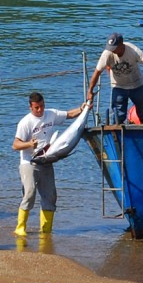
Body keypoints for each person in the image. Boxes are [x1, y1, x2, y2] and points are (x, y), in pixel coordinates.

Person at [12, 92, 84, 236]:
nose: (40, 110)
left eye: (42, 106)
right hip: (29, 162)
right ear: (30, 107)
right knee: (30, 192)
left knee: (50, 196)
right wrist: (29, 144)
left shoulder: (51, 114)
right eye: (37, 107)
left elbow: (69, 114)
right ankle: (20, 227)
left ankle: (45, 229)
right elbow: (15, 145)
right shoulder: (25, 122)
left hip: (46, 160)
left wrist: (82, 109)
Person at [86, 32, 143, 124]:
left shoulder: (133, 50)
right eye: (110, 48)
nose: (112, 51)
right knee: (118, 116)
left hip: (137, 85)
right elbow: (97, 72)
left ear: (121, 45)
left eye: (114, 48)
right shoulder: (107, 54)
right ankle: (118, 134)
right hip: (119, 87)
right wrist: (90, 91)